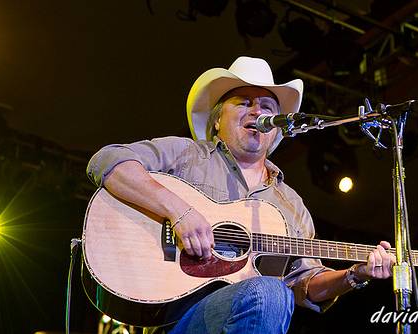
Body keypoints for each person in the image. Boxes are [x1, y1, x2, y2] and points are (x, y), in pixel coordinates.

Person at [87, 56, 396, 333]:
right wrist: (179, 211)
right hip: (173, 317)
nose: (257, 111)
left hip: (245, 318)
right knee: (272, 293)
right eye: (244, 102)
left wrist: (356, 274)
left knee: (277, 294)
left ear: (275, 129)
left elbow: (306, 284)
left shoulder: (292, 205)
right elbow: (107, 162)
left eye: (267, 107)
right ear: (217, 120)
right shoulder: (188, 155)